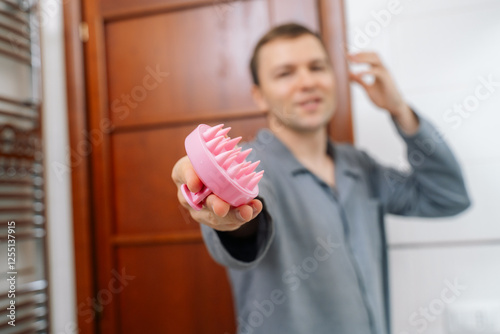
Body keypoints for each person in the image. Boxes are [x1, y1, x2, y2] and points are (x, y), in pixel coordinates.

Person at [171, 23, 471, 334]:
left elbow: (449, 197)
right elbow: (247, 219)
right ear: (259, 96)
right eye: (285, 73)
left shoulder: (362, 167)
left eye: (317, 67)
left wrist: (400, 111)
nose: (307, 82)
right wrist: (230, 216)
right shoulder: (246, 167)